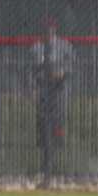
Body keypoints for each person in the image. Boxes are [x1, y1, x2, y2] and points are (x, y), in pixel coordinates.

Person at [31, 17, 75, 149]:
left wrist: (63, 72)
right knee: (42, 116)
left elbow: (72, 63)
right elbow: (31, 70)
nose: (49, 30)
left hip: (60, 85)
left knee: (59, 114)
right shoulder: (36, 47)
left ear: (55, 29)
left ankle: (58, 142)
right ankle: (43, 143)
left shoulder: (64, 45)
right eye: (46, 28)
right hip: (42, 85)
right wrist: (33, 88)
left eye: (51, 28)